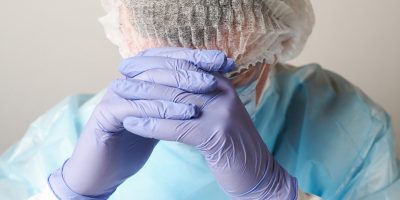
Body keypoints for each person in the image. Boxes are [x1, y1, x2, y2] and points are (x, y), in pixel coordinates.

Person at [1, 0, 399, 199]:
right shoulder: (64, 135)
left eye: (223, 75)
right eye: (158, 66)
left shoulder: (347, 124)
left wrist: (275, 193)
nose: (187, 96)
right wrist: (69, 193)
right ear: (125, 36)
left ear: (275, 47)